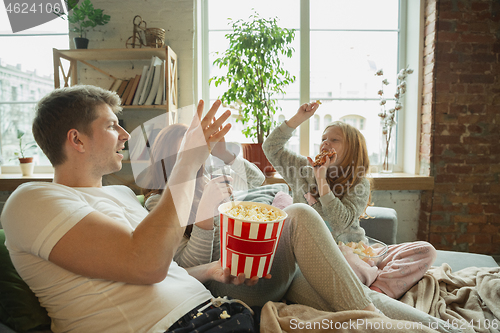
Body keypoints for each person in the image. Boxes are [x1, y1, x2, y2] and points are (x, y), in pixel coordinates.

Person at [0, 85, 380, 333]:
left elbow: (166, 266)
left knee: (336, 304)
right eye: (114, 126)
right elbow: (144, 264)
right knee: (300, 218)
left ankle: (411, 324)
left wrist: (212, 269)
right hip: (182, 326)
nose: (127, 135)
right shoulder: (31, 200)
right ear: (76, 140)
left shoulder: (118, 197)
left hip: (220, 312)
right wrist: (187, 166)